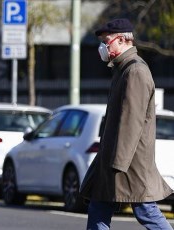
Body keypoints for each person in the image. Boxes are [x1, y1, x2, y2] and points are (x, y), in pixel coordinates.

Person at [79, 18, 174, 230]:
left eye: (107, 41)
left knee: (145, 211)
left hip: (128, 162)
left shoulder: (135, 71)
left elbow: (132, 121)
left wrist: (118, 163)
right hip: (114, 158)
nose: (103, 47)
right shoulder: (123, 69)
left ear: (122, 40)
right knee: (98, 206)